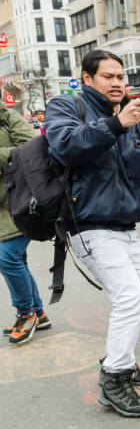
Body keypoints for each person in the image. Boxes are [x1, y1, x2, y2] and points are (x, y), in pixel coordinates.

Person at [45, 49, 140, 418]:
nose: (118, 83)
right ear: (87, 78)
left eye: (121, 77)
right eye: (108, 77)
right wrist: (117, 124)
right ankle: (113, 378)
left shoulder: (134, 114)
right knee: (130, 299)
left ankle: (123, 359)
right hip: (89, 224)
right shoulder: (66, 106)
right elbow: (63, 146)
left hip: (125, 224)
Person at [0, 101, 51, 345]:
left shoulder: (7, 116)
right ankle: (38, 313)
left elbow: (34, 146)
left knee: (7, 256)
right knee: (15, 259)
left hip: (15, 199)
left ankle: (26, 313)